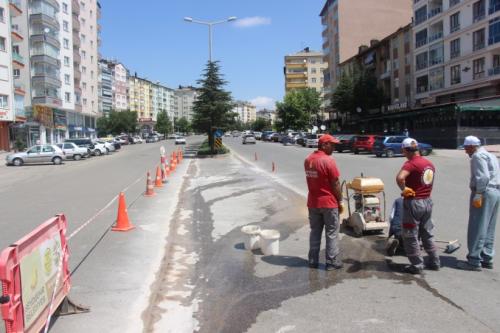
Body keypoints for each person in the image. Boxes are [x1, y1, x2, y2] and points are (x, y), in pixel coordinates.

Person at [395, 138, 440, 274]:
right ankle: (434, 261)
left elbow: (400, 177)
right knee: (427, 233)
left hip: (414, 202)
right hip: (427, 201)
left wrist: (404, 189)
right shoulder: (429, 164)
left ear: (405, 150)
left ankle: (417, 264)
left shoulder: (411, 164)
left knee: (410, 234)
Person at [457, 136, 500, 271]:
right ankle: (487, 257)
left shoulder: (477, 156)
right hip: (495, 191)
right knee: (489, 227)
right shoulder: (490, 155)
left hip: (484, 192)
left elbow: (483, 177)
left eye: (466, 148)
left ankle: (474, 260)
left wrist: (479, 193)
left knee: (477, 225)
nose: (465, 151)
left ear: (472, 147)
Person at [304, 134, 343, 271]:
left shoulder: (308, 160)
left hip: (313, 202)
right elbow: (336, 184)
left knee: (315, 231)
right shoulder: (328, 161)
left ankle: (313, 260)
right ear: (324, 145)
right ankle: (331, 262)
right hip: (329, 203)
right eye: (332, 145)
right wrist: (340, 200)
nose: (333, 147)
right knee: (332, 232)